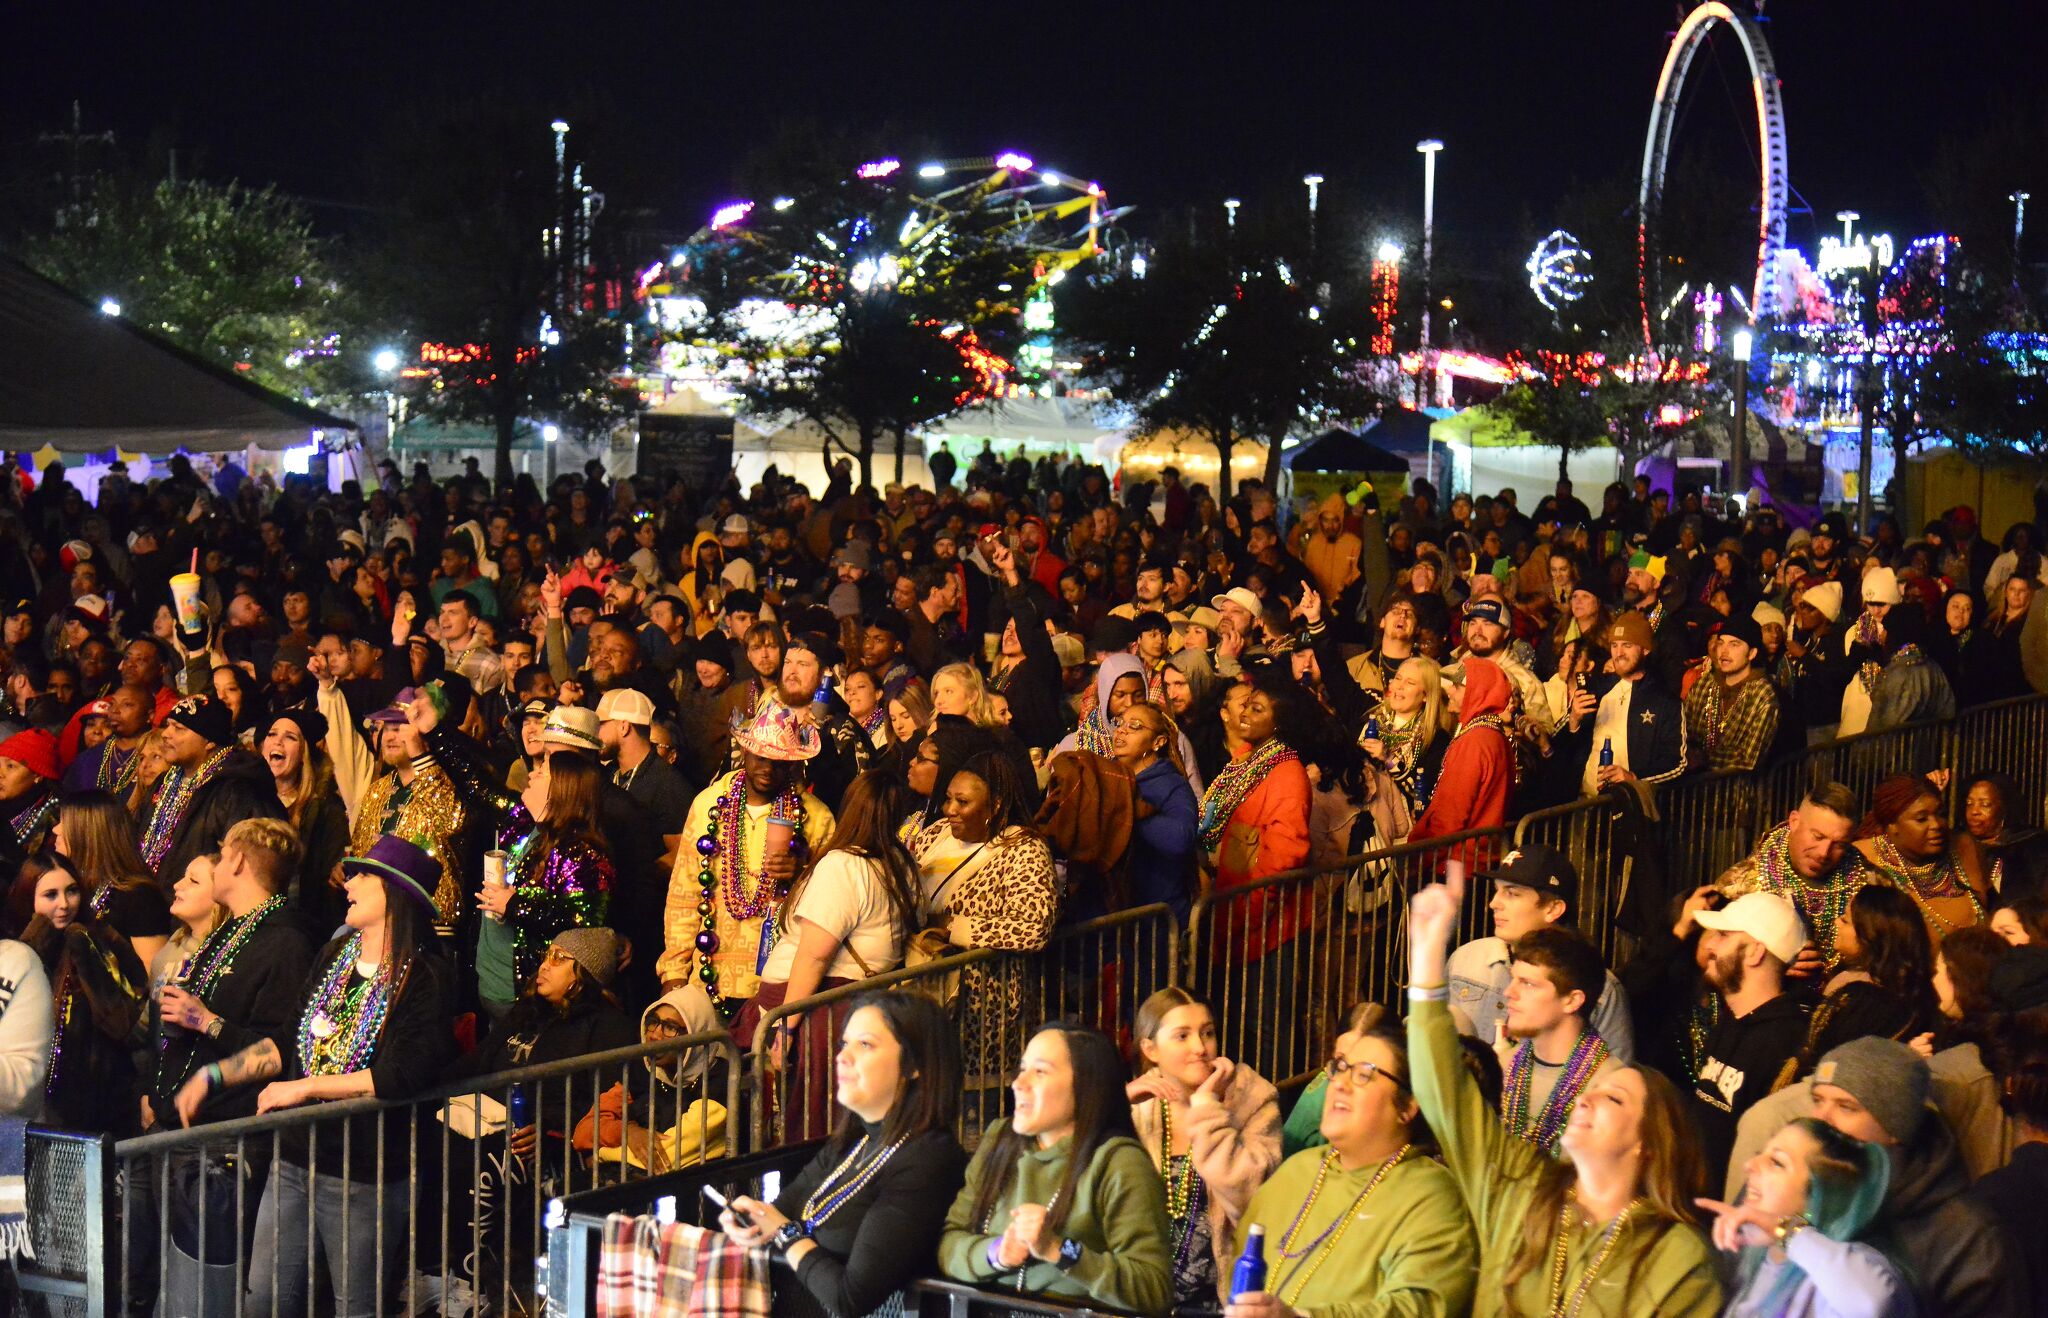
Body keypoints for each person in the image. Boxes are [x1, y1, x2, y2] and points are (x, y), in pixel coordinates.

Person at [1406, 861, 1723, 1315]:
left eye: (1528, 984)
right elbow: (1445, 1094)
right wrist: (1426, 957)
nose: (1510, 993)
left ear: (1648, 1144)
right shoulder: (1524, 1183)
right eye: (1513, 978)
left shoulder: (1675, 1258)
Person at [171, 834, 456, 1318]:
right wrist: (215, 1076)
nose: (349, 881)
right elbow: (287, 1043)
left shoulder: (425, 976)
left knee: (354, 1307)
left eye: (364, 875)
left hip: (365, 1172)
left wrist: (304, 1087)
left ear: (395, 893)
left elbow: (398, 1075)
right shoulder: (333, 958)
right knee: (264, 1299)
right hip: (297, 1157)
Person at [718, 994, 971, 1318]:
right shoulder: (852, 1142)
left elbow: (849, 1299)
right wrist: (747, 1221)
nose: (842, 1057)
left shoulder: (929, 1159)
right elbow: (777, 1213)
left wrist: (784, 1232)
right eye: (843, 1043)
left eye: (864, 1045)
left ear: (915, 1065)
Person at [1229, 1004, 1478, 1318]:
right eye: (1341, 1067)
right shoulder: (1297, 1170)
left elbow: (1420, 1307)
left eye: (1364, 1075)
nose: (1340, 1084)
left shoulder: (1430, 1194)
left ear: (1408, 1107)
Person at [939, 1022, 1174, 1315]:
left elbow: (1154, 1288)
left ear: (1086, 1085)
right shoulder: (999, 1139)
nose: (1018, 1083)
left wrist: (1060, 1250)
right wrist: (996, 1253)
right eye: (1022, 1069)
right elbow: (950, 1242)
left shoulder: (1119, 1162)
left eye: (1040, 1072)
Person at [739, 770, 922, 1140]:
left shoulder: (844, 865)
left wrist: (786, 1029)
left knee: (815, 1128)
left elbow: (814, 956)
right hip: (851, 1009)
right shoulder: (902, 865)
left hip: (822, 1017)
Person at [1801, 1036, 2026, 1316]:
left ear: (1895, 1125)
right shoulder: (1803, 1193)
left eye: (1846, 1107)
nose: (1821, 1120)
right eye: (1818, 1100)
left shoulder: (1970, 1241)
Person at [659, 700, 836, 1016]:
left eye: (779, 761)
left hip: (778, 986)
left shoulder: (817, 818)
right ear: (744, 752)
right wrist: (674, 972)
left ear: (794, 764)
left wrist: (803, 873)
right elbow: (684, 894)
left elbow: (832, 907)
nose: (768, 769)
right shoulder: (708, 804)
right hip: (706, 978)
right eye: (760, 757)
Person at [148, 818, 315, 1130]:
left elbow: (280, 1047)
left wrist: (205, 1021)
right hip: (176, 1121)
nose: (219, 867)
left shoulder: (287, 943)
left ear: (238, 862)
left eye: (223, 857)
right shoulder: (228, 930)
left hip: (223, 1133)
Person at [1124, 988, 1281, 1312]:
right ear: (1150, 1049)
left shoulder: (1253, 1100)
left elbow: (1250, 1201)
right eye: (1182, 1036)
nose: (1200, 1048)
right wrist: (1115, 1102)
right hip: (1144, 1298)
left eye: (1207, 1033)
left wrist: (1208, 1106)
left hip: (1220, 1300)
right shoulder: (1139, 1108)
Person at [1695, 1117, 1912, 1318]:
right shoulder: (1762, 1258)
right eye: (1761, 1153)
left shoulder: (1848, 1272)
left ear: (1822, 1198)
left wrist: (1787, 1229)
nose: (1750, 1165)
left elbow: (1871, 1303)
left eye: (1777, 1162)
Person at [1448, 845, 1635, 1063]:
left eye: (1512, 893)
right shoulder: (1466, 958)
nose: (1493, 903)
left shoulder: (1602, 989)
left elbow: (1615, 1081)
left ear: (1553, 909)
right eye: (1497, 890)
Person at [1688, 892, 1813, 1175]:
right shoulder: (1731, 1020)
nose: (1710, 945)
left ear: (1756, 952)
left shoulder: (1788, 1041)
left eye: (1723, 935)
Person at [20, 863, 146, 1132]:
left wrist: (83, 948)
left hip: (99, 1101)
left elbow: (119, 1022)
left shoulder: (100, 939)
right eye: (50, 895)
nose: (64, 904)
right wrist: (32, 944)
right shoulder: (17, 951)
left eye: (72, 891)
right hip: (34, 1105)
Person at [1779, 884, 1938, 1088]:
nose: (1836, 922)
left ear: (1869, 936)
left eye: (1845, 920)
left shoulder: (1862, 998)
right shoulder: (1854, 978)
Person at [1719, 784, 1868, 972]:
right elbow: (1713, 952)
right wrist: (1771, 966)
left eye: (1839, 845)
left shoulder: (1868, 883)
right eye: (1817, 837)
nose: (1824, 853)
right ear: (1794, 821)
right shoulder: (1741, 884)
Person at [1849, 774, 1991, 944]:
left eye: (1941, 814)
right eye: (1921, 819)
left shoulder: (1963, 847)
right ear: (1892, 824)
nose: (1936, 825)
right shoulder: (1862, 859)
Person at [47, 789, 174, 971]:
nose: (55, 829)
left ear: (88, 832)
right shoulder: (75, 883)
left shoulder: (139, 897)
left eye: (64, 822)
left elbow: (152, 974)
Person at [260, 709, 349, 935]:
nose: (278, 741)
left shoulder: (326, 810)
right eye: (272, 734)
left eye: (290, 737)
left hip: (299, 930)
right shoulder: (245, 798)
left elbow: (328, 884)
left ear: (304, 754)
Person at [1110, 701, 1200, 922]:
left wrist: (1132, 809)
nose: (1122, 730)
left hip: (1157, 919)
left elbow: (1181, 840)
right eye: (1120, 722)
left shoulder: (1172, 785)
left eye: (1135, 726)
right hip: (1117, 916)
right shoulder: (1109, 775)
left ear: (1158, 742)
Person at [1683, 612, 1779, 772]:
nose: (1724, 651)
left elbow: (1749, 760)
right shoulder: (1704, 684)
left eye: (1734, 644)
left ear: (1752, 653)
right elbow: (1683, 731)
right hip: (1694, 789)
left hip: (1734, 791)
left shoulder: (1762, 695)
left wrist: (1701, 758)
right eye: (1721, 643)